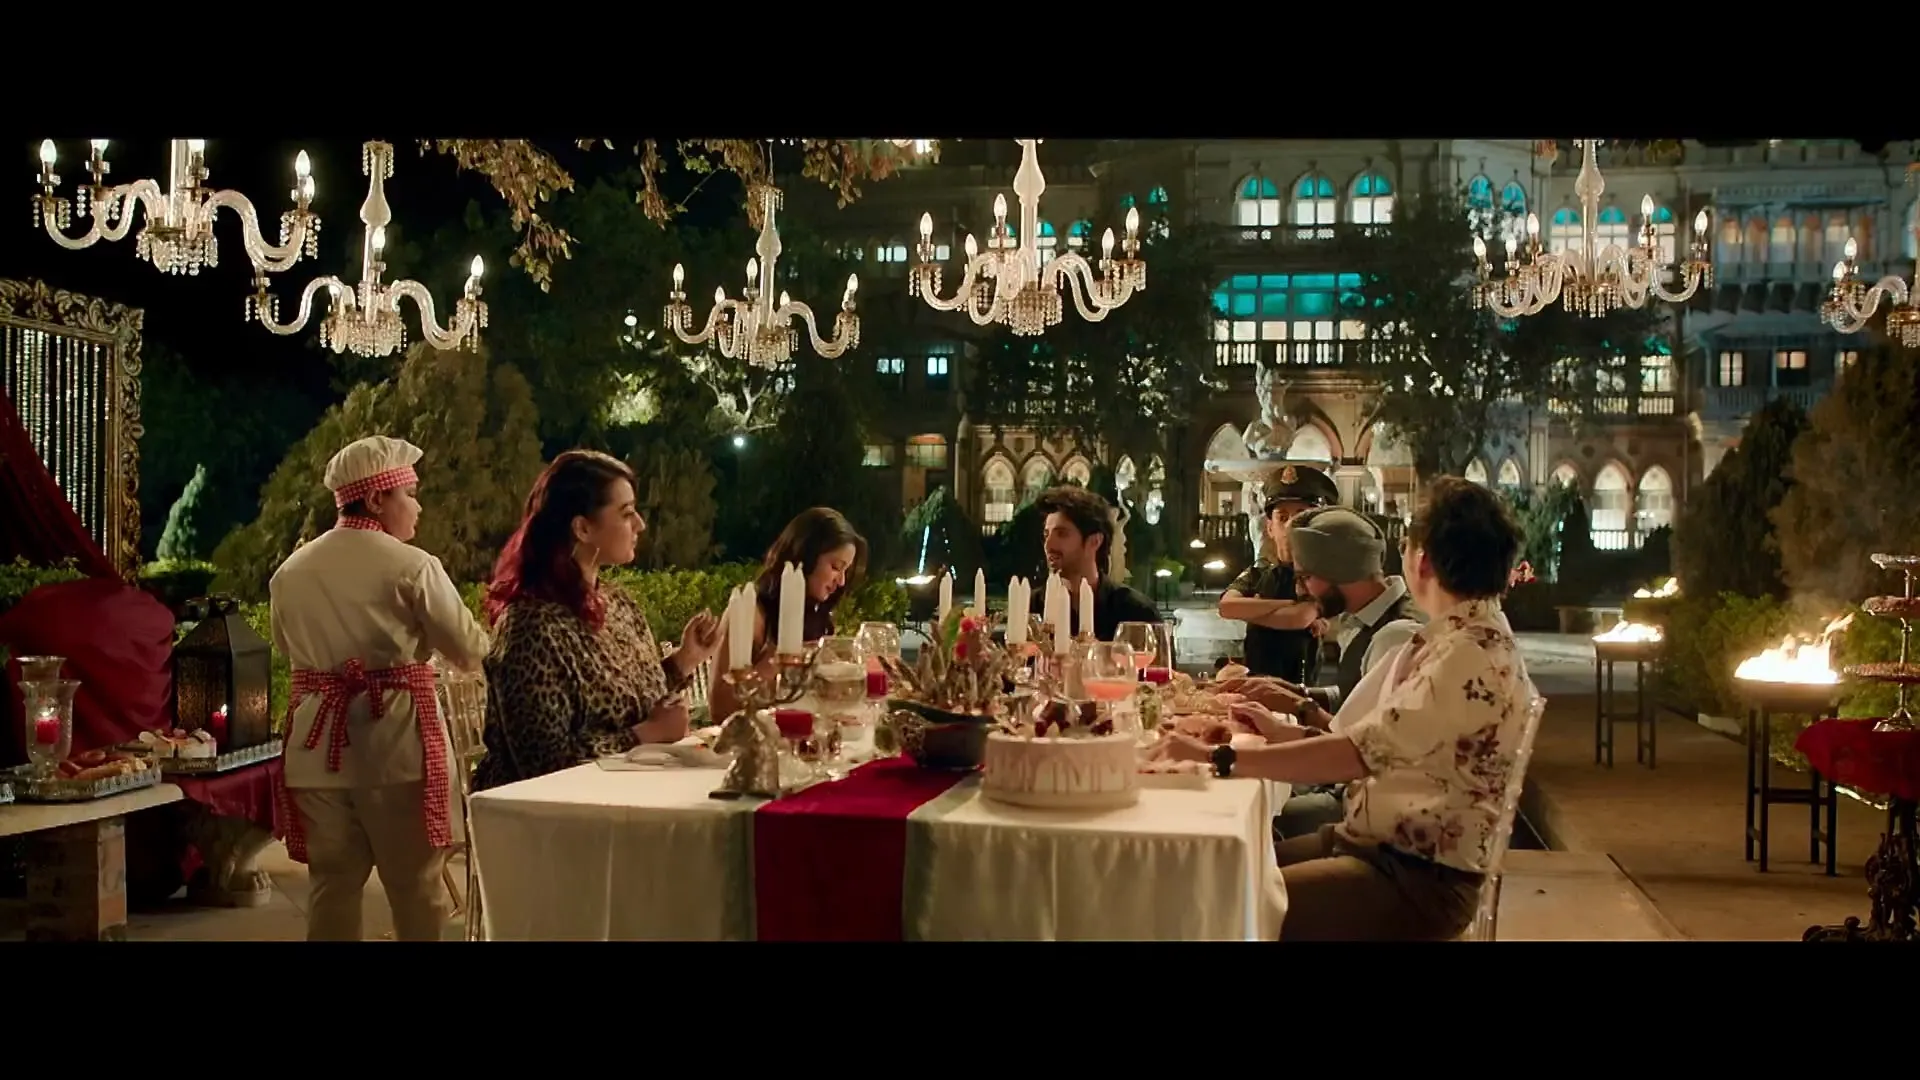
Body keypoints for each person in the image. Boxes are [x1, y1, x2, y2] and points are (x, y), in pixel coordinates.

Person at [1152, 477, 1536, 941]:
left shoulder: (1465, 654)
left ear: (1421, 560)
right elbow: (1369, 741)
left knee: (1216, 903)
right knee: (1212, 868)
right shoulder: (1463, 636)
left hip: (1412, 877)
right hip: (1377, 843)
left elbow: (1353, 755)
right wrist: (1282, 727)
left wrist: (1217, 757)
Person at [269, 435, 493, 942]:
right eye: (409, 494)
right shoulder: (413, 566)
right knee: (416, 887)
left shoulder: (289, 573)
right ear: (375, 498)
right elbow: (470, 650)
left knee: (331, 887)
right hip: (395, 748)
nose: (418, 506)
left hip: (315, 749)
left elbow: (288, 647)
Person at [473, 450, 721, 791]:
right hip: (551, 812)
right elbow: (543, 764)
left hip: (629, 794)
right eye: (627, 513)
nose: (640, 525)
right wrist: (646, 735)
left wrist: (685, 659)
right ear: (583, 528)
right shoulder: (531, 626)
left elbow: (632, 702)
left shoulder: (618, 604)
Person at [1228, 506, 1425, 840]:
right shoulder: (1365, 618)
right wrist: (1289, 691)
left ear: (1340, 571)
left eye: (1305, 577)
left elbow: (1359, 750)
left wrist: (1297, 709)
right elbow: (1354, 697)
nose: (1300, 590)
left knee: (1248, 821)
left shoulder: (1395, 636)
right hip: (1345, 784)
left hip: (1364, 804)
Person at [706, 507, 868, 723]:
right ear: (806, 556)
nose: (841, 581)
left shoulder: (817, 618)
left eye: (846, 571)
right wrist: (776, 662)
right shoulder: (750, 612)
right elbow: (719, 710)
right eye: (836, 567)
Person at [1217, 465, 1338, 684]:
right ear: (1270, 528)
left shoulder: (1319, 577)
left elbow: (1298, 618)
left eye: (1301, 516)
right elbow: (1227, 606)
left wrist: (1252, 607)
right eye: (1282, 517)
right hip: (1256, 684)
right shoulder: (1260, 572)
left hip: (1301, 688)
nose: (1290, 525)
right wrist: (1289, 603)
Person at [1035, 485, 1158, 642]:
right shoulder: (1032, 608)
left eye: (1062, 534)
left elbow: (1159, 657)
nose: (1048, 545)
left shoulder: (1135, 612)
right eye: (1046, 535)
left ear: (1094, 541)